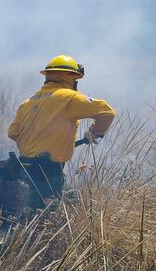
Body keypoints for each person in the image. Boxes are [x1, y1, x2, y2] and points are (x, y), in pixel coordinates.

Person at [8, 55, 116, 211]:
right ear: (71, 77)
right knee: (41, 216)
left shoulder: (27, 102)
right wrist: (94, 133)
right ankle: (20, 235)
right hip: (47, 171)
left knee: (72, 200)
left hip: (26, 167)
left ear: (47, 76)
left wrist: (41, 137)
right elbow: (107, 112)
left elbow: (13, 133)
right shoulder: (68, 97)